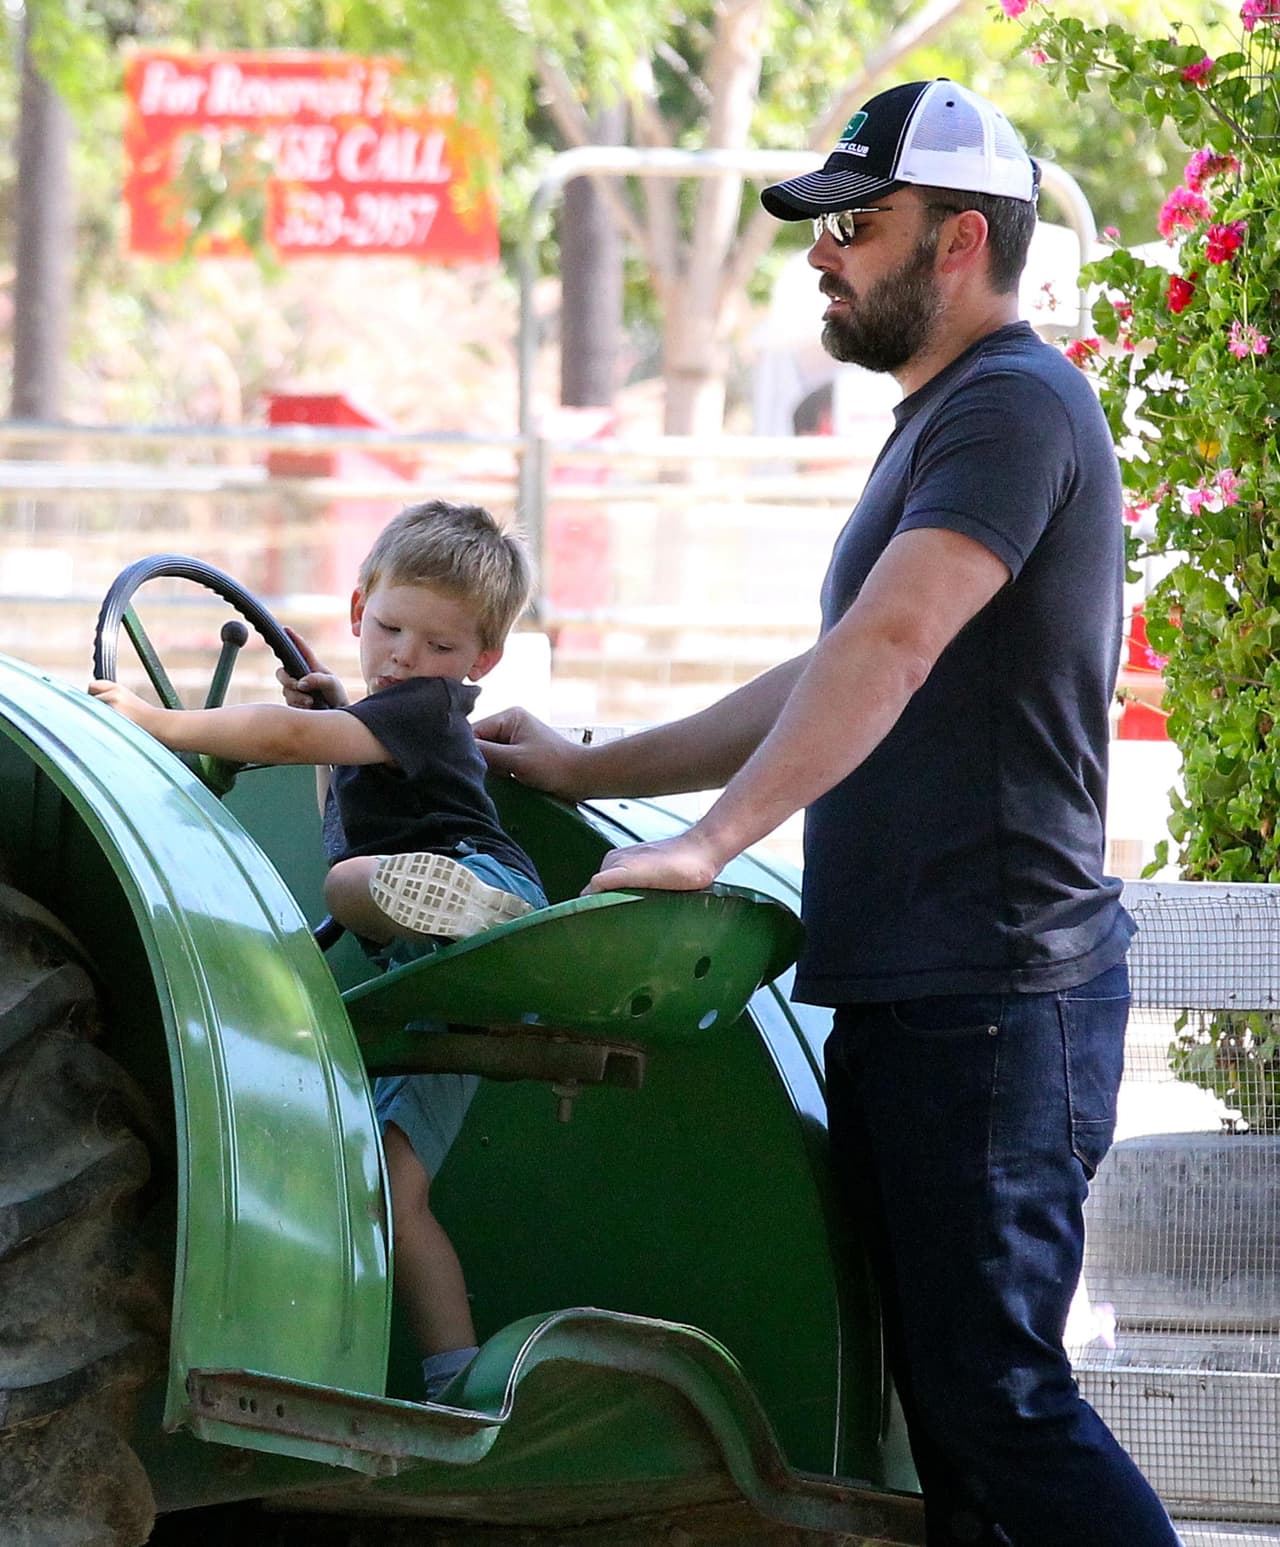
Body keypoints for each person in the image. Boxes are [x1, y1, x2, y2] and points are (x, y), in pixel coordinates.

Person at [476, 80, 1182, 1547]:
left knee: (998, 1402)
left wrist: (712, 840)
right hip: (931, 994)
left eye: (857, 223)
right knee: (949, 1422)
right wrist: (590, 771)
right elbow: (835, 662)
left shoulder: (1010, 406)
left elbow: (890, 645)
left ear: (959, 243)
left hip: (989, 998)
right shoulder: (955, 417)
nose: (822, 252)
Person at [91, 499, 547, 1404]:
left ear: (481, 663)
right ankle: (451, 1378)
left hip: (473, 903)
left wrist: (165, 726)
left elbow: (293, 738)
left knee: (347, 886)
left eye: (441, 647)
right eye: (390, 629)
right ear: (356, 610)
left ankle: (459, 907)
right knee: (386, 1186)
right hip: (440, 970)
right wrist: (341, 707)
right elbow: (335, 761)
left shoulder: (423, 710)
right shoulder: (389, 720)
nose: (409, 657)